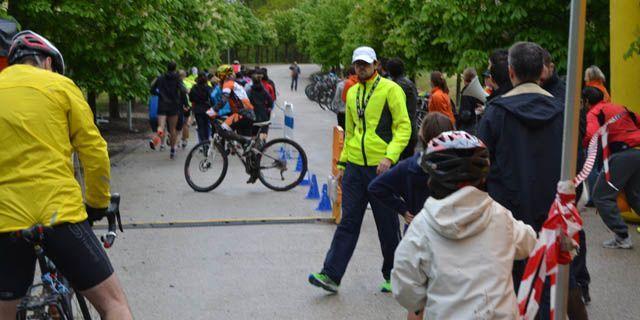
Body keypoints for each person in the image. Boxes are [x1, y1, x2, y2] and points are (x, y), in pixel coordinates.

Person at [0, 30, 133, 319]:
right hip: (60, 215)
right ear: (46, 62)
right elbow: (94, 152)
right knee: (114, 305)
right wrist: (97, 203)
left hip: (6, 221)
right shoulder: (61, 86)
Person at [477, 42, 590, 319]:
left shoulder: (496, 113)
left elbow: (479, 167)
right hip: (554, 220)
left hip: (508, 221)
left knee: (514, 293)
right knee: (558, 285)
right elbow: (575, 166)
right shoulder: (565, 113)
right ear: (542, 71)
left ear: (511, 72)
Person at [391, 131, 537, 320]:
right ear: (482, 179)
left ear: (433, 180)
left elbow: (405, 287)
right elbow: (530, 243)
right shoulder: (500, 217)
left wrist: (420, 303)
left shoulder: (422, 226)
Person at [308, 46, 411, 294]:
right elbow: (351, 132)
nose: (361, 68)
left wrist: (390, 156)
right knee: (348, 222)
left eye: (366, 63)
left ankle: (393, 275)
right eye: (357, 64)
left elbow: (404, 127)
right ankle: (331, 275)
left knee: (387, 225)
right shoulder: (352, 92)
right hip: (354, 167)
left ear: (375, 64)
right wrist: (342, 164)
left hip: (381, 169)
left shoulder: (391, 90)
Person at [582, 86, 640, 249]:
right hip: (636, 152)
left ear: (586, 102)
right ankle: (622, 235)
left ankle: (622, 236)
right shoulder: (618, 107)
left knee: (601, 195)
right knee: (634, 196)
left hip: (621, 155)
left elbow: (590, 135)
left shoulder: (593, 113)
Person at [149, 61, 188, 159]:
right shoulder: (178, 79)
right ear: (175, 68)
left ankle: (156, 139)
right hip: (174, 106)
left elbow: (152, 90)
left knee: (161, 126)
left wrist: (159, 94)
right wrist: (185, 103)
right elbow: (183, 91)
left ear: (167, 67)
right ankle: (172, 150)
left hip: (162, 105)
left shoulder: (160, 78)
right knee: (172, 129)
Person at [387, 58, 419, 159]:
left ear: (389, 71)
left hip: (402, 132)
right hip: (412, 129)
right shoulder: (409, 83)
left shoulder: (396, 86)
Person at [458, 68, 485, 134]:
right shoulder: (479, 90)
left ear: (465, 79)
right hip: (480, 125)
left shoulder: (466, 92)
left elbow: (466, 115)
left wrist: (458, 119)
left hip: (468, 128)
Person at [189, 71, 214, 143]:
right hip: (207, 108)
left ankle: (202, 142)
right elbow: (212, 98)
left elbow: (191, 99)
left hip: (197, 109)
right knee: (207, 125)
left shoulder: (194, 88)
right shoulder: (208, 88)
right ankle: (207, 140)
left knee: (200, 126)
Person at [248, 72, 274, 137]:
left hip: (253, 115)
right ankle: (263, 144)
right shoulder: (264, 91)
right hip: (263, 114)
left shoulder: (249, 90)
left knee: (253, 134)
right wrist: (268, 108)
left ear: (252, 81)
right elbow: (270, 101)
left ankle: (254, 145)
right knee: (264, 132)